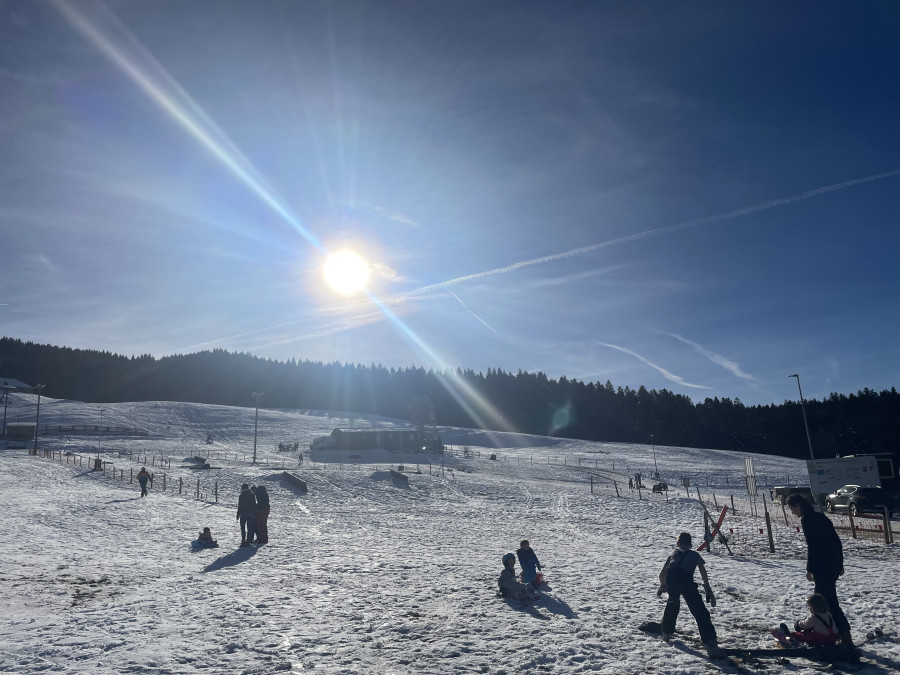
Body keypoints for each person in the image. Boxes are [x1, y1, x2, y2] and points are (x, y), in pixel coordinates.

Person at [786, 494, 853, 646]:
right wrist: (839, 563)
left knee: (826, 603)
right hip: (833, 564)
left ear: (798, 506)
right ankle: (835, 634)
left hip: (822, 567)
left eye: (792, 509)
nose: (792, 513)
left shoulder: (807, 519)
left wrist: (809, 569)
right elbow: (836, 541)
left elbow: (813, 546)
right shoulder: (820, 517)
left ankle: (840, 636)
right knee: (826, 601)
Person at [658, 532, 722, 658]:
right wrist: (707, 588)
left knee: (672, 605)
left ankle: (666, 633)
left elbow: (662, 574)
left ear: (678, 543)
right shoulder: (695, 555)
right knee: (699, 611)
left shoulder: (673, 553)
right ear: (691, 544)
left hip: (671, 581)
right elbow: (702, 570)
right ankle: (710, 642)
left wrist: (663, 586)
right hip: (686, 581)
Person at [773, 593, 839, 647]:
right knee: (810, 632)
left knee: (801, 635)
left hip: (820, 639)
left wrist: (798, 624)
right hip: (832, 638)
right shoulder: (828, 614)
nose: (808, 608)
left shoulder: (813, 617)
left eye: (809, 606)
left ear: (814, 607)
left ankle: (788, 637)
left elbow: (804, 625)